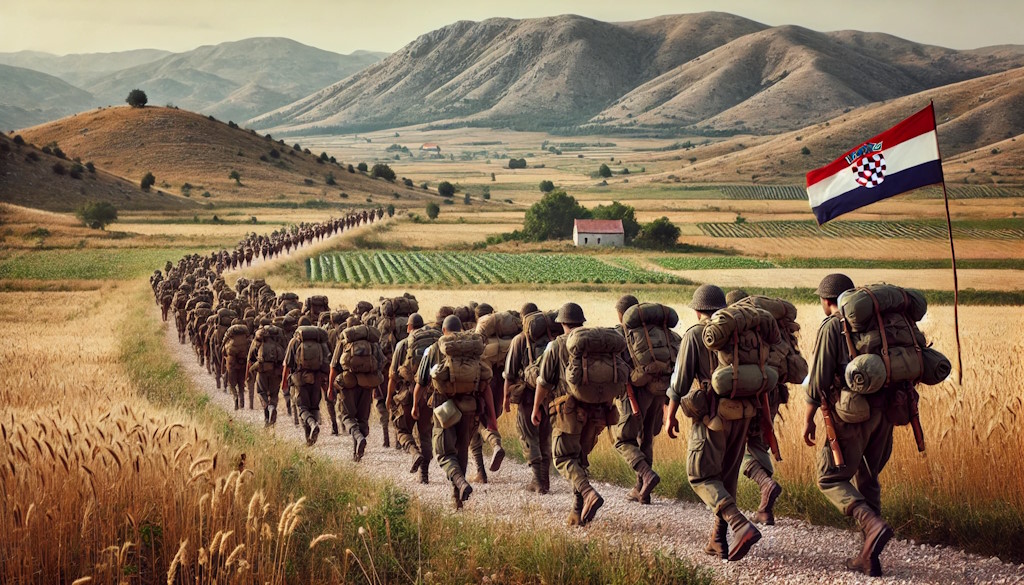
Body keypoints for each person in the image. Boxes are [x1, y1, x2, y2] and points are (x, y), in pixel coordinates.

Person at [803, 273, 894, 577]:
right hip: (886, 412)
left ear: (827, 301)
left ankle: (871, 524)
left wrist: (808, 418)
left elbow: (817, 381)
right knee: (868, 477)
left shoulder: (833, 325)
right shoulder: (880, 323)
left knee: (829, 478)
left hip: (851, 415)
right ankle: (869, 555)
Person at [665, 284, 761, 562]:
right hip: (743, 413)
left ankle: (739, 524)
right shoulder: (744, 333)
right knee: (727, 476)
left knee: (701, 476)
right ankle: (718, 540)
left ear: (698, 311)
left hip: (712, 416)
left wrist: (670, 414)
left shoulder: (695, 334)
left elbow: (680, 382)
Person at [532, 302, 618, 527]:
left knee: (563, 459)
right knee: (579, 460)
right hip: (597, 412)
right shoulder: (598, 347)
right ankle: (577, 511)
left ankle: (588, 494)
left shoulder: (557, 345)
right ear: (581, 322)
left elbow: (543, 381)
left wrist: (535, 409)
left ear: (562, 323)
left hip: (568, 413)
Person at [412, 315, 497, 509]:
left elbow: (421, 382)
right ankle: (457, 498)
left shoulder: (434, 349)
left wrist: (415, 406)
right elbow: (486, 386)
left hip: (444, 408)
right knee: (462, 449)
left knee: (443, 452)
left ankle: (460, 483)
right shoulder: (473, 349)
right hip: (470, 407)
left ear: (443, 331)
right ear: (461, 329)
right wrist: (491, 418)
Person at [728, 288, 784, 526]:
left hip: (749, 394)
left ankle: (765, 483)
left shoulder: (734, 329)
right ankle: (765, 508)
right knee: (760, 443)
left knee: (738, 447)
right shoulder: (767, 326)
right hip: (773, 391)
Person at [610, 294, 662, 505]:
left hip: (635, 393)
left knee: (623, 440)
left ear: (622, 314)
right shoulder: (655, 333)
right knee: (646, 438)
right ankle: (642, 491)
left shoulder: (623, 332)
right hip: (658, 391)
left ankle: (646, 474)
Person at [502, 305, 552, 493]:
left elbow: (509, 374)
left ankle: (538, 482)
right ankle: (545, 481)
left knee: (529, 436)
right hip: (550, 395)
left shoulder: (520, 340)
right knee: (545, 437)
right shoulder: (553, 339)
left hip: (529, 396)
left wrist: (506, 399)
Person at [386, 313, 439, 483]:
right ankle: (424, 475)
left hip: (408, 394)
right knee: (425, 433)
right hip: (430, 395)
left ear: (408, 327)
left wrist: (389, 398)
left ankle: (414, 453)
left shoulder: (402, 344)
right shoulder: (434, 343)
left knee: (401, 429)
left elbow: (393, 376)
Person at [330, 317, 386, 461]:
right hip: (366, 385)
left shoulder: (343, 342)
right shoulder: (372, 344)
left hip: (348, 385)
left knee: (347, 416)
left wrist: (331, 388)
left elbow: (334, 366)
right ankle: (358, 452)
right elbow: (381, 363)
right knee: (362, 419)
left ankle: (359, 438)